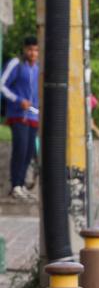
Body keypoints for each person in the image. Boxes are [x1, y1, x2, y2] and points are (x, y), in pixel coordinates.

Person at [2, 37, 40, 200]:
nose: (33, 53)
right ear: (25, 49)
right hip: (18, 115)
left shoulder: (37, 68)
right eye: (30, 49)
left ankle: (22, 184)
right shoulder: (16, 64)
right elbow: (2, 85)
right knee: (20, 148)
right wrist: (18, 100)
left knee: (29, 150)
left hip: (33, 115)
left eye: (36, 50)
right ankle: (15, 185)